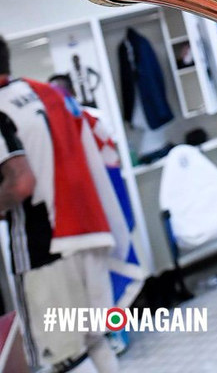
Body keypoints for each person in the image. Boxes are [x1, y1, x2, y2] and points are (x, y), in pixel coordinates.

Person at [0, 36, 120, 372]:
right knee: (95, 341)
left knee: (64, 354)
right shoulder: (47, 93)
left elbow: (20, 183)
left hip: (44, 246)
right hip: (87, 231)